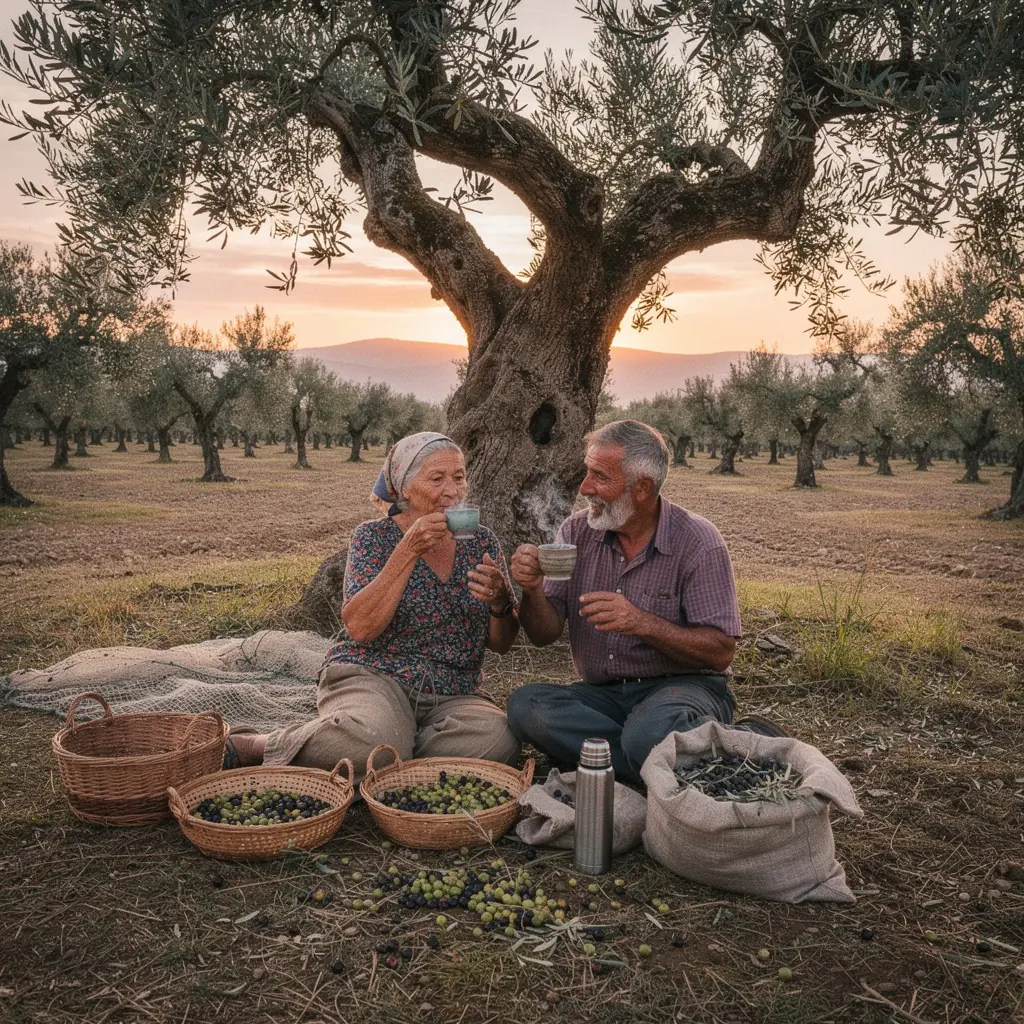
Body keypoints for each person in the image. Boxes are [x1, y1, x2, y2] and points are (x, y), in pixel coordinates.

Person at [226, 432, 520, 779]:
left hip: (454, 690)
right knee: (367, 746)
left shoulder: (481, 541)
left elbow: (500, 643)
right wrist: (408, 550)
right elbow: (360, 628)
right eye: (437, 478)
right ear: (405, 488)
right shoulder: (373, 538)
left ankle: (393, 753)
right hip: (376, 675)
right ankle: (260, 745)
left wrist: (501, 602)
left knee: (501, 740)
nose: (453, 491)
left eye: (459, 478)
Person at [506, 419, 783, 784]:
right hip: (602, 697)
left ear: (642, 488)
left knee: (649, 732)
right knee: (527, 707)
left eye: (600, 477)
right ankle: (676, 759)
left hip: (682, 689)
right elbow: (544, 634)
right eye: (587, 472)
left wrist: (643, 623)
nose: (585, 487)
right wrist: (532, 589)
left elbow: (720, 653)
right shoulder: (576, 532)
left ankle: (618, 758)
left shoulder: (698, 542)